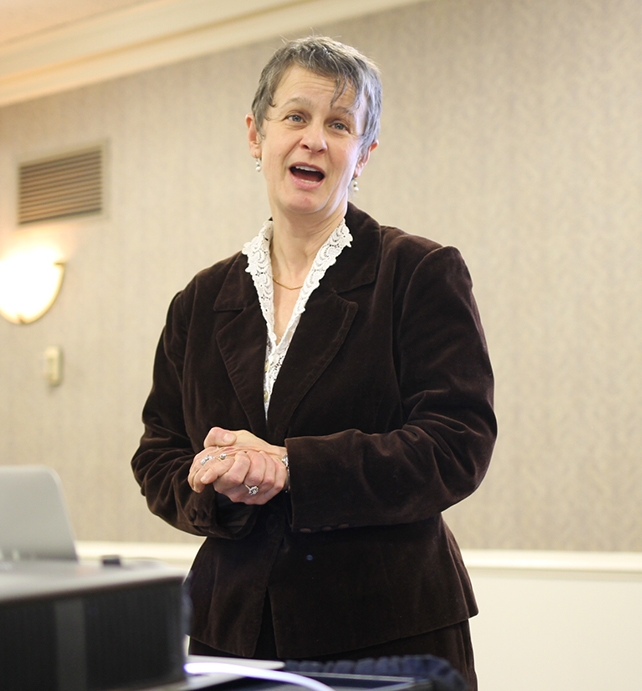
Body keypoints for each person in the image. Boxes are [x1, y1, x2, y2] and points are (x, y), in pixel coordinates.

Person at [132, 36, 496, 689]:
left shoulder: (418, 272)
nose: (314, 140)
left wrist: (290, 465)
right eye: (296, 116)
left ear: (364, 154)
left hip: (389, 632)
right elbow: (157, 454)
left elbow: (456, 444)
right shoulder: (199, 300)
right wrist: (215, 481)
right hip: (232, 632)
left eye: (339, 124)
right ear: (256, 134)